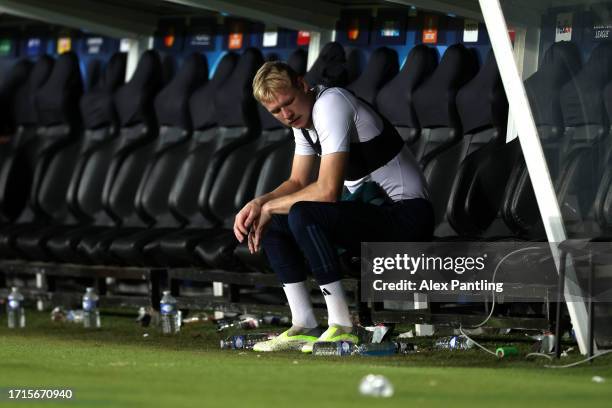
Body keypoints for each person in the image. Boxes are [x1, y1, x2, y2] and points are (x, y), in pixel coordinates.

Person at [233, 61, 433, 352]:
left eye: (288, 103)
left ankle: (342, 325)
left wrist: (272, 206)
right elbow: (297, 180)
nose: (286, 114)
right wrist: (259, 203)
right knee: (275, 221)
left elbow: (327, 192)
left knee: (301, 212)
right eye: (276, 111)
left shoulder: (330, 103)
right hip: (373, 214)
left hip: (408, 216)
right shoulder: (302, 122)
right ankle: (304, 324)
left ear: (303, 85)